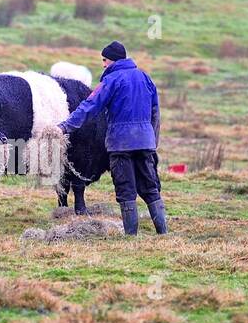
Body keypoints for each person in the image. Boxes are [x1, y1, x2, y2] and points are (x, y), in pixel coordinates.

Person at [58, 41, 167, 235]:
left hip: (121, 144)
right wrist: (152, 141)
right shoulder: (145, 78)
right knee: (150, 187)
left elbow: (89, 106)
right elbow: (155, 112)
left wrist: (65, 127)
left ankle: (131, 235)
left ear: (113, 60)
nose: (103, 64)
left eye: (105, 60)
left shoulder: (111, 80)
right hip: (145, 142)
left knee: (126, 189)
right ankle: (162, 232)